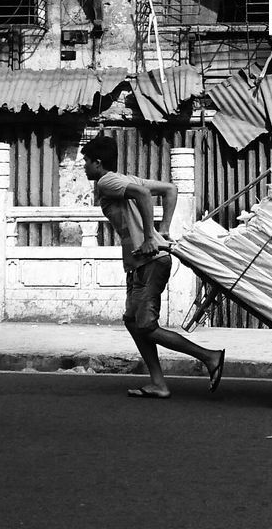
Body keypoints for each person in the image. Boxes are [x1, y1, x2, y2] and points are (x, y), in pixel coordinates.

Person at [81, 133, 225, 399]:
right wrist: (164, 230)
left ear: (98, 163)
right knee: (133, 322)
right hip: (139, 263)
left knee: (146, 325)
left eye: (86, 161)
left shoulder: (106, 181)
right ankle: (158, 383)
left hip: (150, 261)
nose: (84, 167)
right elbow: (170, 189)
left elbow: (145, 194)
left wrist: (151, 236)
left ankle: (209, 357)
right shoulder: (124, 179)